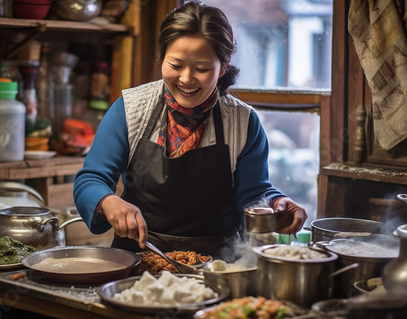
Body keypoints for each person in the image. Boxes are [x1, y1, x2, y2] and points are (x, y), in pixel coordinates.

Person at [73, 1, 307, 261]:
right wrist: (108, 201)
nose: (186, 78)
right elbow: (91, 179)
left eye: (202, 69)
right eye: (175, 65)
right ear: (161, 58)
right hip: (138, 258)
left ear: (224, 67)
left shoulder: (243, 122)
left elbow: (252, 195)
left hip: (216, 266)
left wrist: (275, 204)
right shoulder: (129, 110)